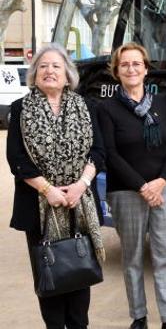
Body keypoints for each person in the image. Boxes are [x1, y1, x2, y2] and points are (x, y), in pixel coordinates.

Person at [6, 44, 105, 329]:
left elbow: (99, 151)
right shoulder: (21, 109)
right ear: (35, 74)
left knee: (79, 273)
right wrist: (48, 190)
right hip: (38, 206)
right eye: (43, 66)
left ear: (67, 75)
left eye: (56, 66)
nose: (49, 71)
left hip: (79, 203)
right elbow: (17, 159)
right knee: (49, 274)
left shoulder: (86, 106)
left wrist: (80, 185)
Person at [99, 43, 166, 329]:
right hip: (126, 192)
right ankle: (139, 316)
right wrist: (142, 187)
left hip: (165, 190)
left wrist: (161, 182)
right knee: (132, 258)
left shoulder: (164, 103)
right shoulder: (107, 108)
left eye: (137, 64)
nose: (131, 69)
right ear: (117, 71)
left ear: (146, 69)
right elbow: (110, 153)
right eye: (125, 65)